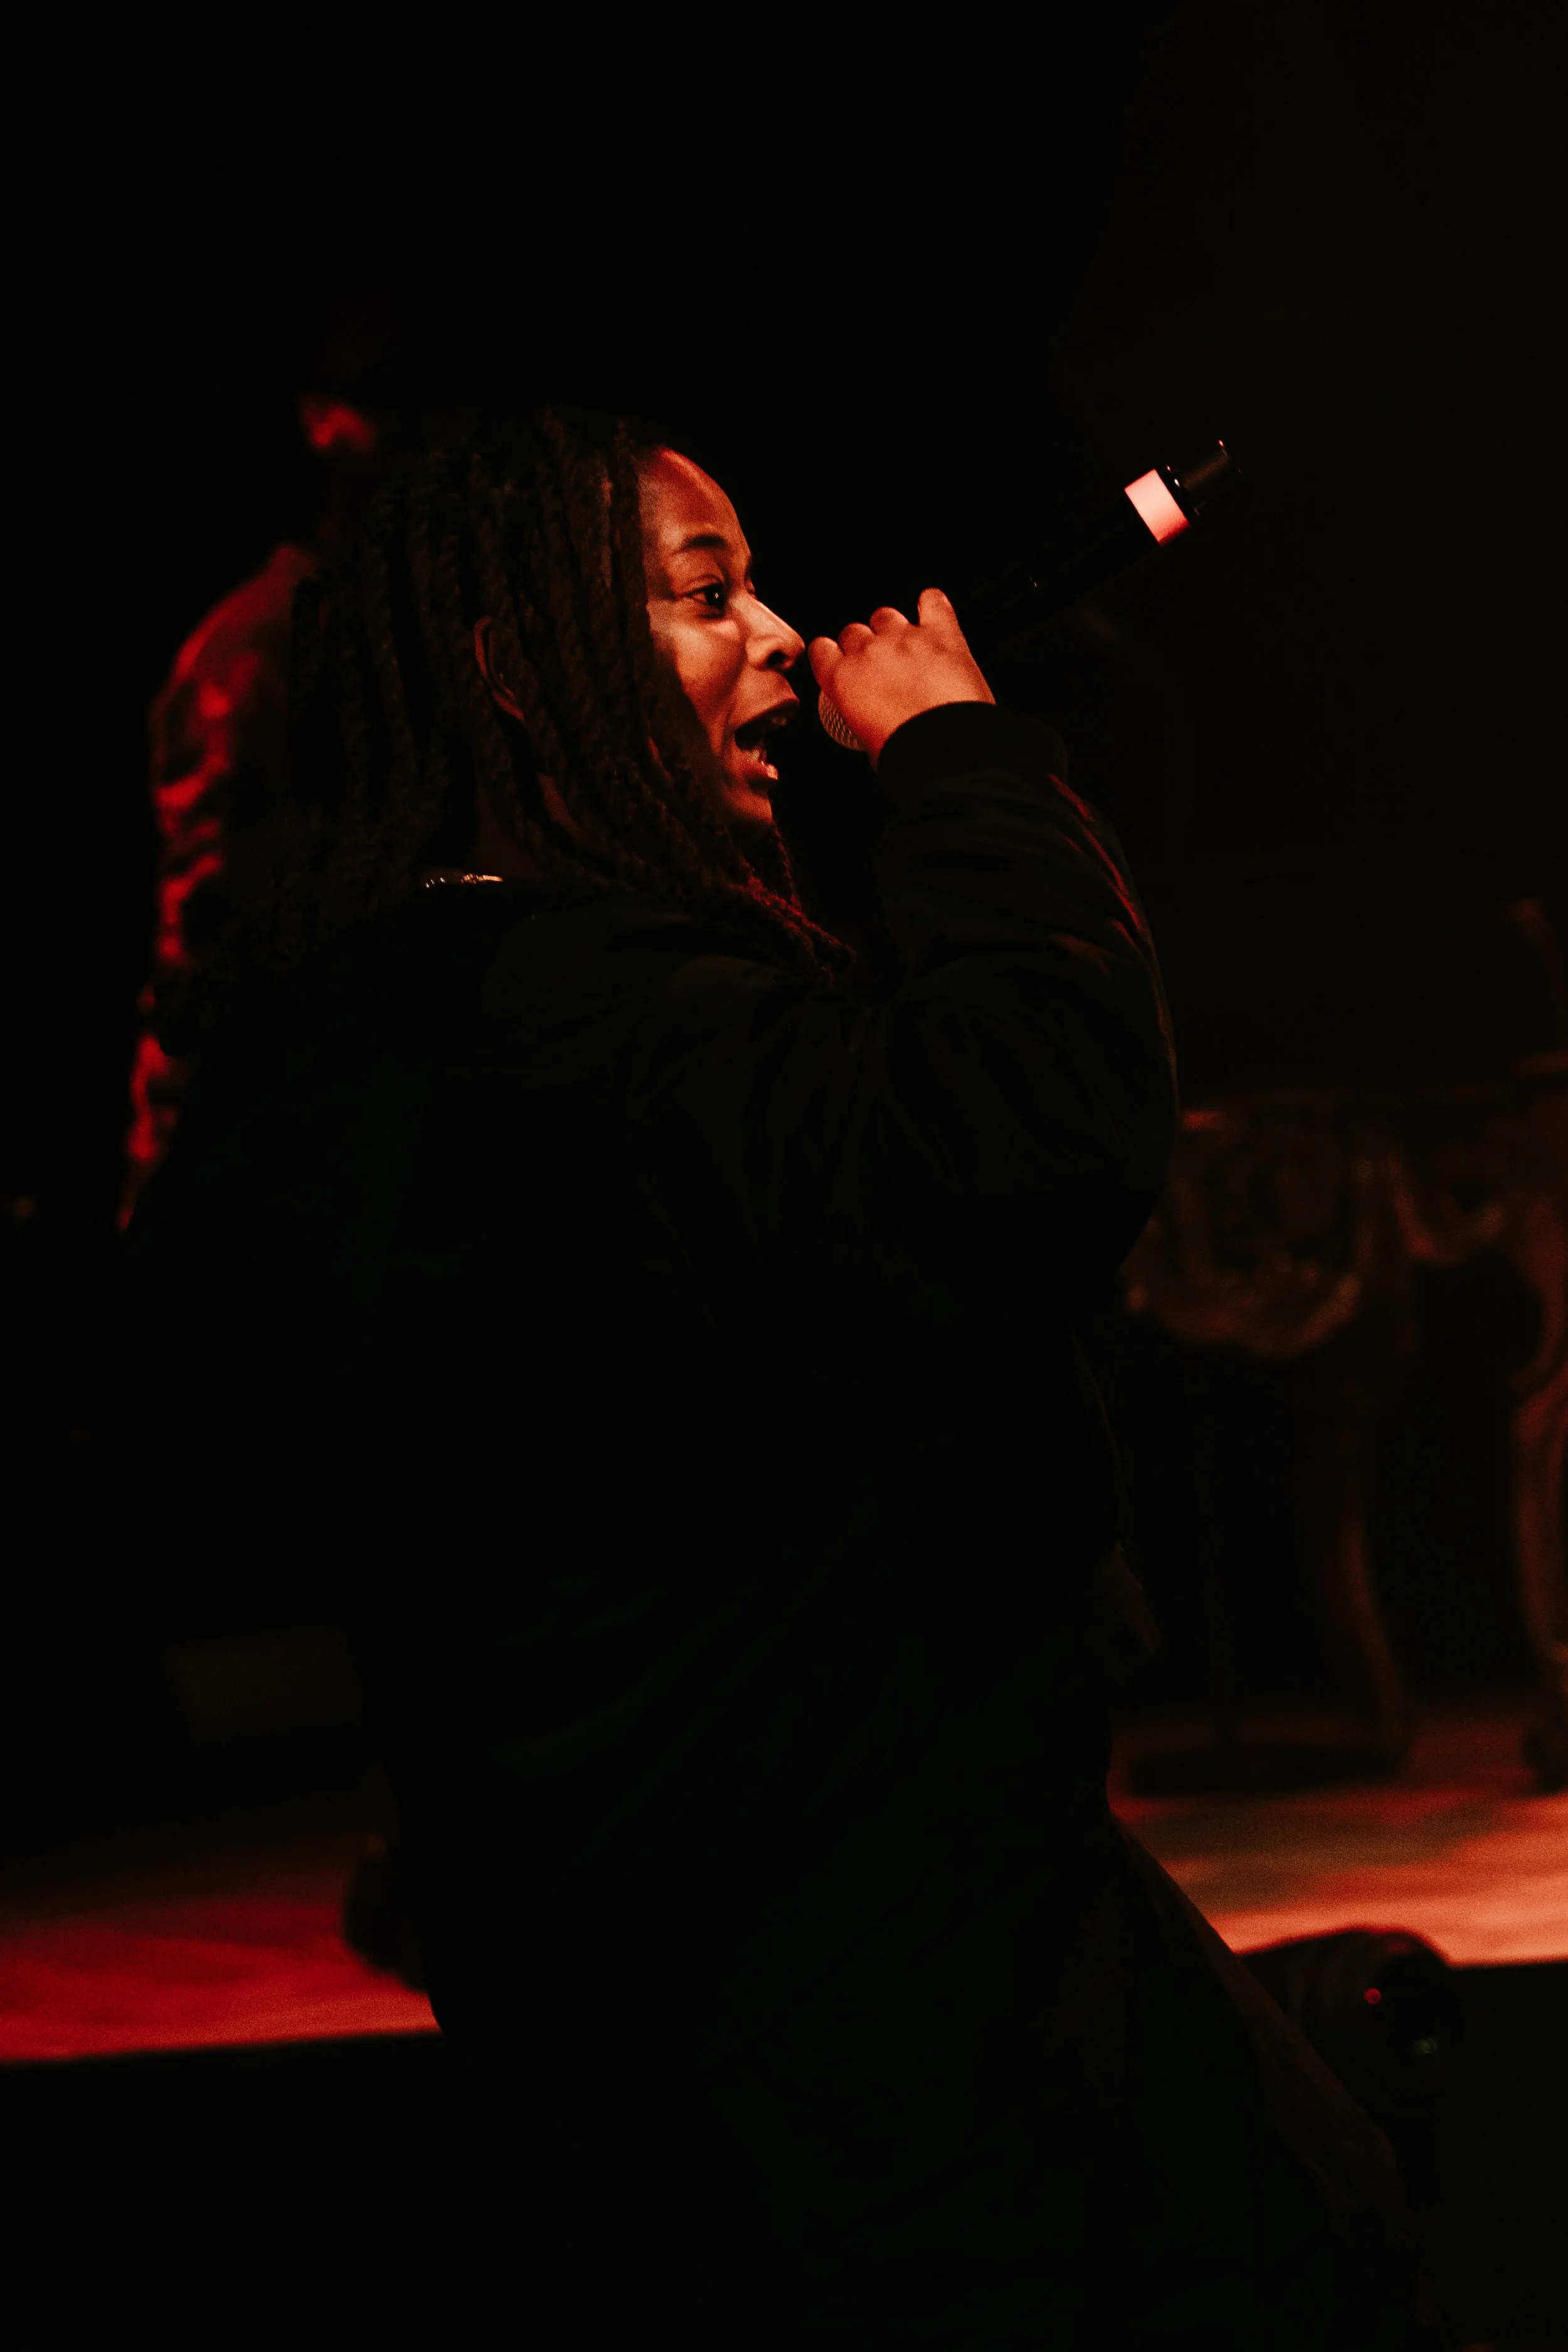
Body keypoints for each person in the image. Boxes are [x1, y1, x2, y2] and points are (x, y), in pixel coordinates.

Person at [115, 408, 1422, 2346]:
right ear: (515, 669)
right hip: (851, 1950)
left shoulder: (395, 1015)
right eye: (708, 593)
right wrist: (964, 759)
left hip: (753, 1914)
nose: (787, 638)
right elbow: (1033, 1132)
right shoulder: (593, 1023)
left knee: (1305, 2200)